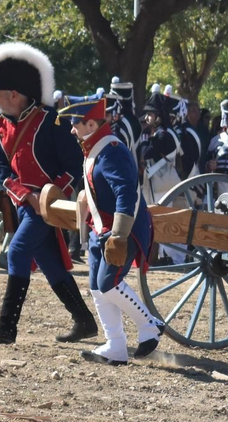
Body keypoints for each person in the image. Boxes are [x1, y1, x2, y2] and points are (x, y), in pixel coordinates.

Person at [0, 42, 97, 345]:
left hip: (52, 203)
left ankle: (7, 326)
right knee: (49, 262)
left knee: (17, 251)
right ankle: (84, 320)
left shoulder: (51, 120)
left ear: (14, 94)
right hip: (25, 204)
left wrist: (49, 199)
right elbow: (0, 170)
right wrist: (27, 196)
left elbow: (74, 166)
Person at [64, 94, 163, 363]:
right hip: (102, 229)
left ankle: (150, 326)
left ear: (91, 125)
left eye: (76, 124)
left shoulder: (112, 150)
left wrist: (118, 235)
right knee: (97, 287)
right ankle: (116, 345)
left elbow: (126, 193)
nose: (72, 129)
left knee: (109, 285)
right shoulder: (94, 147)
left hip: (122, 230)